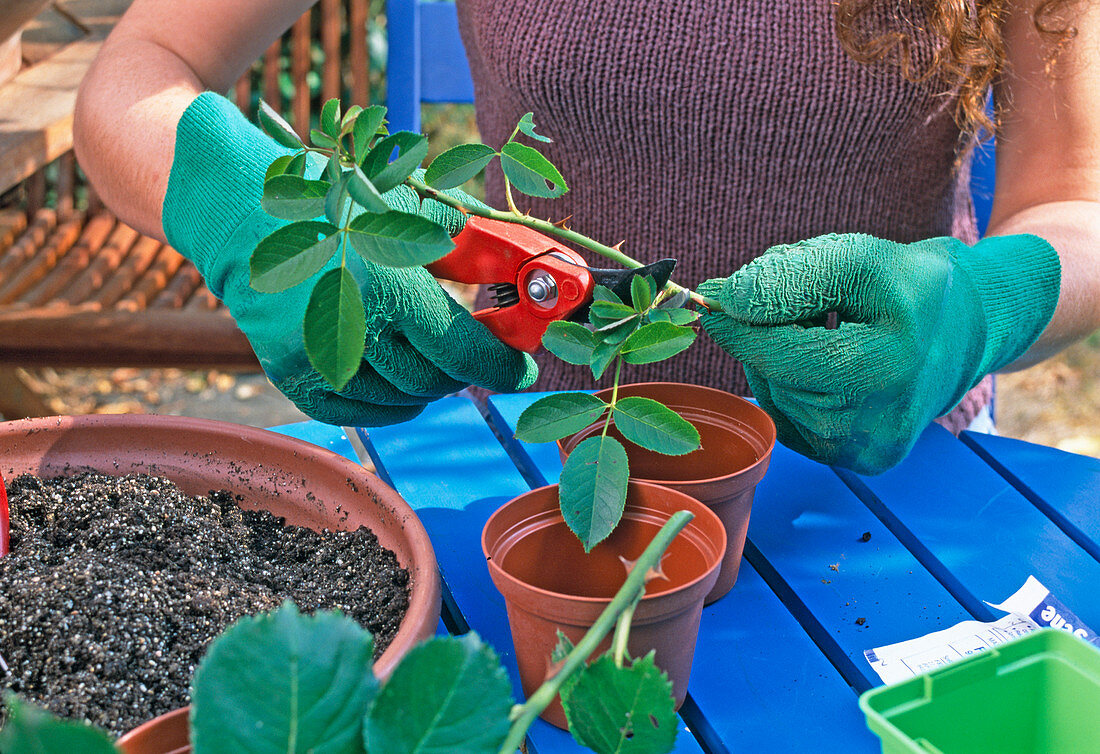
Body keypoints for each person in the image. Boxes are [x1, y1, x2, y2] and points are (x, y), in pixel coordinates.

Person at [73, 0, 1100, 474]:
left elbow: (1073, 203)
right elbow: (139, 71)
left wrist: (980, 304)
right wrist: (244, 205)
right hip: (536, 470)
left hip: (891, 478)